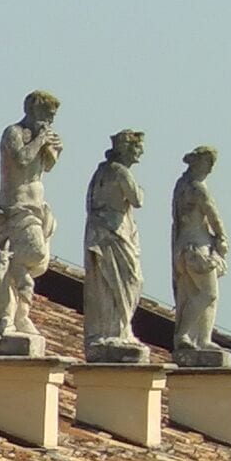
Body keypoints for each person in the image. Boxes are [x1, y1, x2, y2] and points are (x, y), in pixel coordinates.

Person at [0, 92, 63, 353]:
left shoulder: (38, 136)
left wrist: (52, 148)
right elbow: (22, 159)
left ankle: (15, 313)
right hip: (14, 206)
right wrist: (40, 140)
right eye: (47, 114)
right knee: (32, 253)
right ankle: (14, 313)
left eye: (52, 117)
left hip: (36, 208)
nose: (49, 120)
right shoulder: (13, 132)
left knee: (30, 261)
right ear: (33, 109)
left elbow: (46, 166)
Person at [81, 130, 148, 360]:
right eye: (137, 147)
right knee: (127, 280)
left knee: (109, 283)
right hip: (114, 232)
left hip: (104, 231)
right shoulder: (120, 172)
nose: (141, 152)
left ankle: (115, 328)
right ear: (127, 149)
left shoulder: (101, 170)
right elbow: (137, 200)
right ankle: (116, 329)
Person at [171, 147, 229, 364]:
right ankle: (185, 333)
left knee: (194, 293)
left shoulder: (181, 185)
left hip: (184, 246)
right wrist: (222, 237)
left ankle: (202, 338)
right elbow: (213, 215)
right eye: (208, 163)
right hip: (197, 248)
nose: (210, 168)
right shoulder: (198, 188)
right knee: (208, 294)